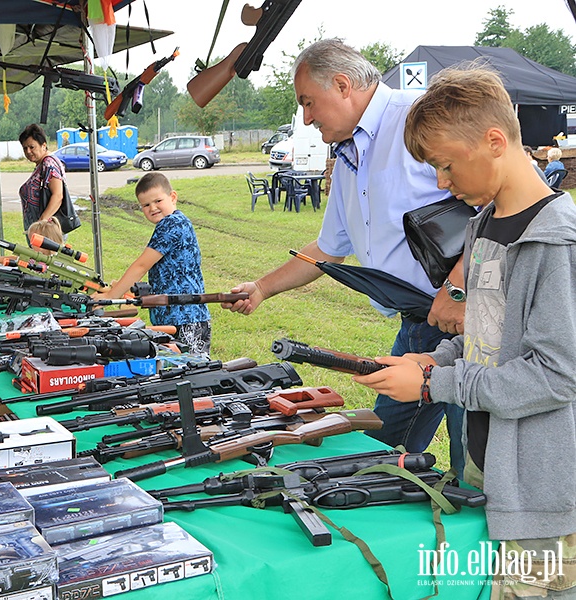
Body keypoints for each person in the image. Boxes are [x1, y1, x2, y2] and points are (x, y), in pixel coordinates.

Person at [353, 67, 576, 596]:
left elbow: (555, 376)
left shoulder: (556, 244)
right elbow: (483, 335)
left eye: (447, 165)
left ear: (494, 141)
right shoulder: (482, 225)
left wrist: (436, 387)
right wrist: (430, 361)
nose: (442, 183)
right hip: (487, 473)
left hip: (541, 500)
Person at [224, 39, 466, 474]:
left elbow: (496, 206)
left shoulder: (418, 117)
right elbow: (329, 249)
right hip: (416, 326)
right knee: (381, 456)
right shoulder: (350, 153)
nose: (306, 117)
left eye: (308, 102)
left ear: (342, 85)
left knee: (476, 462)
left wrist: (458, 287)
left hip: (471, 326)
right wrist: (261, 287)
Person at [94, 172, 211, 356]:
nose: (153, 208)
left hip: (184, 317)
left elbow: (141, 266)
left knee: (191, 371)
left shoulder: (172, 224)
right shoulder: (175, 222)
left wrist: (108, 298)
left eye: (158, 201)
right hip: (176, 316)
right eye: (146, 205)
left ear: (173, 197)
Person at [18, 123, 65, 234]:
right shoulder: (41, 164)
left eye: (32, 147)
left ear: (43, 145)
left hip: (46, 231)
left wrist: (41, 223)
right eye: (25, 148)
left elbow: (58, 196)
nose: (28, 151)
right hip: (40, 229)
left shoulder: (48, 164)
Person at [0, 218, 64, 266]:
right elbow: (17, 258)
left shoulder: (57, 262)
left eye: (34, 241)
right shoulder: (35, 255)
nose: (31, 244)